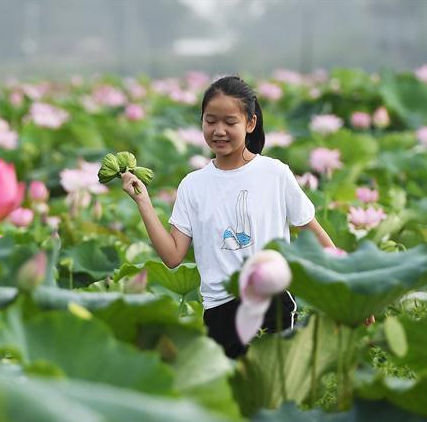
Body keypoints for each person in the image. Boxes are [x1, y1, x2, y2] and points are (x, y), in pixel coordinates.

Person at [122, 76, 335, 358]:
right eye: (210, 121)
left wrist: (351, 289)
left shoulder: (275, 173)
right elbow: (173, 256)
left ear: (250, 123)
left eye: (230, 122)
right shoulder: (192, 184)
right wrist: (143, 202)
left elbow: (312, 231)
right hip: (219, 310)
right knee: (229, 396)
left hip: (271, 300)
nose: (219, 131)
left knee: (271, 393)